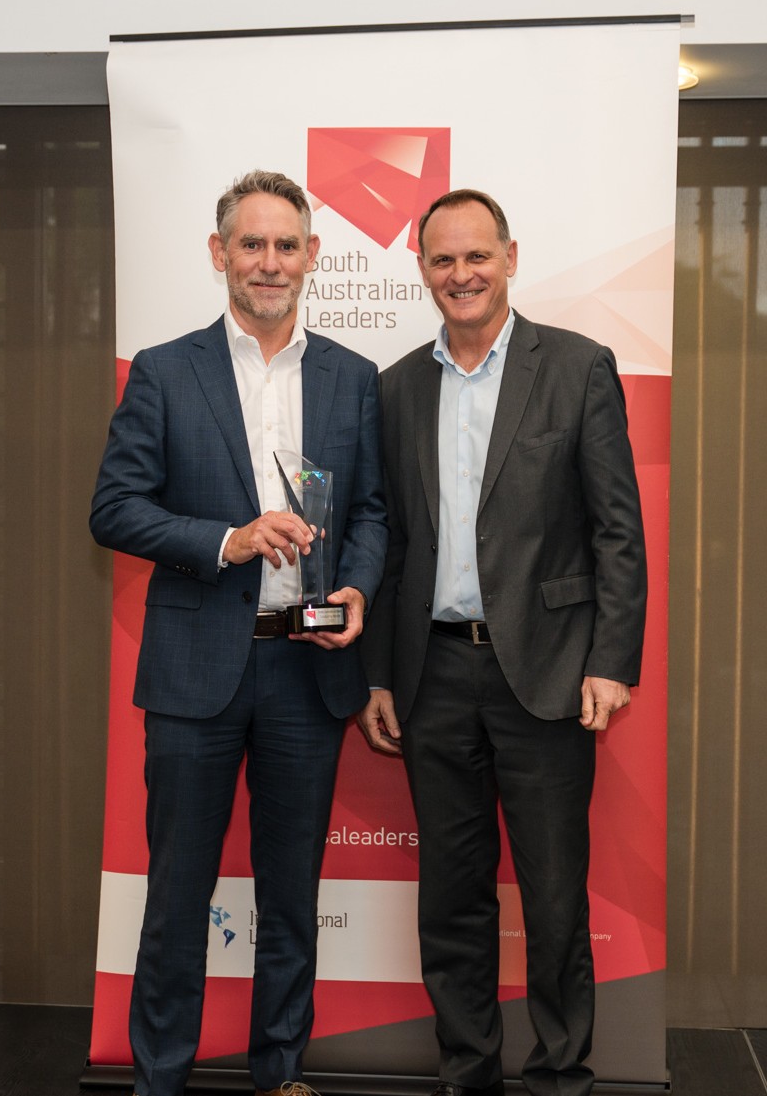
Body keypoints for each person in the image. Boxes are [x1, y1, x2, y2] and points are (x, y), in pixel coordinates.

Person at [90, 170, 387, 1096]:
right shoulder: (163, 370)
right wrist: (230, 539)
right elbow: (114, 508)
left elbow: (372, 512)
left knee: (291, 895)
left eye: (286, 244)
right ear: (219, 253)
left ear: (312, 256)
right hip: (195, 670)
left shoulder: (353, 377)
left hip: (308, 668)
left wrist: (357, 586)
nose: (269, 262)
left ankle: (279, 1073)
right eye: (251, 244)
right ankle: (160, 1079)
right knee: (178, 894)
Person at [357, 189, 647, 1096]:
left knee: (554, 898)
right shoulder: (396, 387)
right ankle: (467, 1071)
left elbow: (617, 530)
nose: (462, 274)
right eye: (443, 260)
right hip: (432, 674)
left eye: (477, 256)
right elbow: (391, 543)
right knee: (452, 895)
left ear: (510, 258)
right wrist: (379, 675)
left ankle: (561, 1075)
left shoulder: (578, 367)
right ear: (422, 269)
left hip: (549, 672)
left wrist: (610, 660)